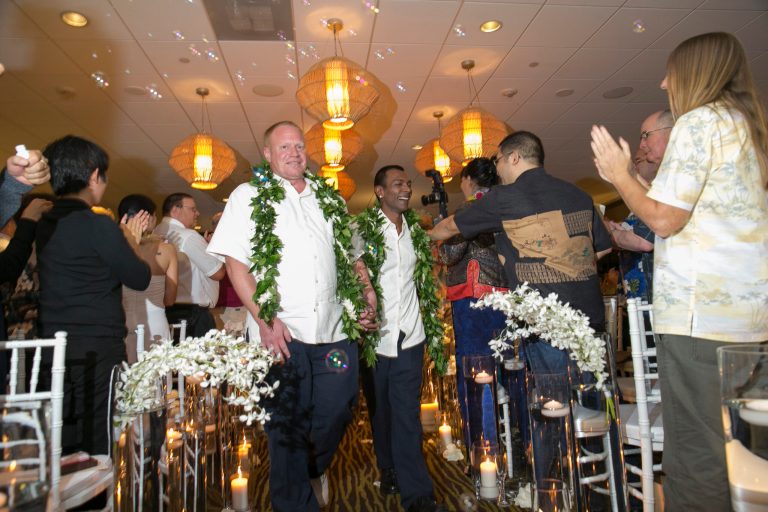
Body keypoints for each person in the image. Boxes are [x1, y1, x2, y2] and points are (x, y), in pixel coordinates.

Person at [590, 32, 768, 511]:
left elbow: (666, 218)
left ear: (696, 73)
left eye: (672, 71)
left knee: (696, 458)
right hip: (746, 324)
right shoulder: (750, 128)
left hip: (698, 321)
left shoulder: (700, 122)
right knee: (742, 454)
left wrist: (619, 173)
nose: (664, 81)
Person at [207, 121, 377, 512]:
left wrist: (367, 293)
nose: (294, 153)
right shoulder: (248, 196)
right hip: (282, 334)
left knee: (339, 407)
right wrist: (266, 320)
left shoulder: (328, 198)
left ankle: (310, 469)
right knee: (285, 427)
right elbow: (237, 266)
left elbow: (353, 257)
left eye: (299, 146)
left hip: (334, 332)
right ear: (267, 154)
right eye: (284, 147)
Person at [430, 131, 612, 375]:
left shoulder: (505, 197)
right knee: (593, 401)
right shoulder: (578, 194)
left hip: (546, 322)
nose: (497, 169)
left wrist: (423, 236)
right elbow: (604, 247)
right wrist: (568, 262)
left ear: (513, 158)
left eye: (498, 160)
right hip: (590, 317)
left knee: (554, 403)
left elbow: (451, 227)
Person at [36, 135, 151, 455]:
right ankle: (96, 499)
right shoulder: (97, 225)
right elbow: (139, 277)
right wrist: (131, 241)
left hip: (51, 346)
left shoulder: (43, 222)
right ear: (92, 175)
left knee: (60, 435)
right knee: (97, 435)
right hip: (97, 346)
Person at [354, 165, 446, 512]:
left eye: (407, 183)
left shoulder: (416, 234)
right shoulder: (361, 229)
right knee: (381, 410)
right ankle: (387, 467)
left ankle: (418, 496)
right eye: (397, 184)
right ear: (379, 192)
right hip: (374, 339)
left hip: (410, 335)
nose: (406, 189)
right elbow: (350, 270)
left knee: (406, 414)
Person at [437, 157, 508, 449]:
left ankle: (482, 443)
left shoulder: (470, 207)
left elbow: (450, 254)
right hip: (507, 296)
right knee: (508, 369)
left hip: (474, 296)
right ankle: (515, 438)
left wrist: (439, 240)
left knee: (476, 371)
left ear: (468, 180)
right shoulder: (506, 203)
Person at [606, 110, 673, 301]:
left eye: (646, 136)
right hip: (643, 294)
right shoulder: (653, 192)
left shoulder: (672, 182)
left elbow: (644, 240)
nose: (643, 144)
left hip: (665, 295)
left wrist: (609, 235)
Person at [154, 193, 225, 338]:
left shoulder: (154, 234)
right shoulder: (188, 236)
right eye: (193, 209)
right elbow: (218, 273)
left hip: (163, 311)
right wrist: (216, 251)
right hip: (192, 315)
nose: (197, 213)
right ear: (175, 210)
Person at [118, 194, 178, 363]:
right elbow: (170, 299)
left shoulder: (112, 246)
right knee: (156, 383)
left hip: (122, 323)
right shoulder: (166, 250)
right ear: (150, 218)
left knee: (123, 380)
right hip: (155, 323)